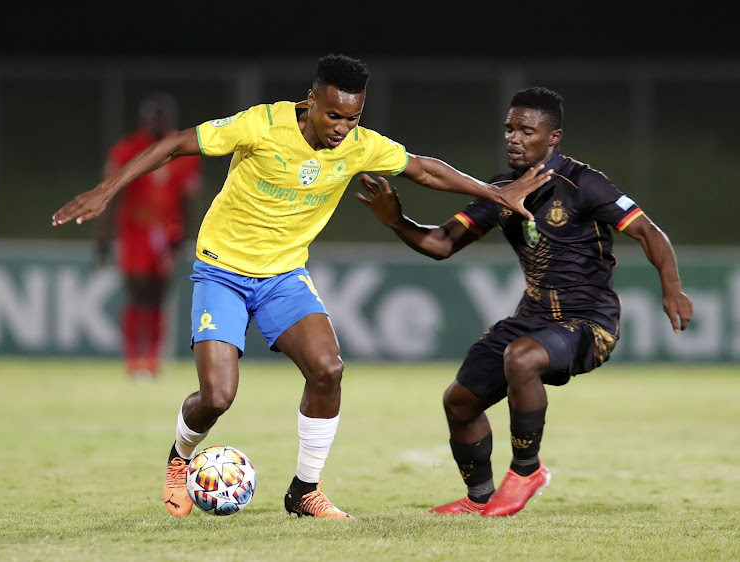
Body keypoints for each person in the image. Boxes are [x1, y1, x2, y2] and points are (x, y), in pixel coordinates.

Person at [51, 55, 553, 520]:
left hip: (283, 276)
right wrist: (105, 191)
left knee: (328, 369)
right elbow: (175, 144)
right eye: (333, 116)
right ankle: (180, 457)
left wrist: (492, 192)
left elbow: (423, 168)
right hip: (221, 270)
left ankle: (304, 490)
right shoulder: (261, 124)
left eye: (352, 119)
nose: (342, 129)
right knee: (218, 397)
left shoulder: (359, 145)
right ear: (311, 101)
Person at [356, 86, 693, 517]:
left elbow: (649, 232)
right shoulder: (499, 191)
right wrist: (396, 221)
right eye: (509, 129)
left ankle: (527, 470)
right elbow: (442, 244)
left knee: (522, 358)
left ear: (553, 137)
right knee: (459, 401)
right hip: (531, 318)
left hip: (589, 321)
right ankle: (479, 498)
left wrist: (672, 287)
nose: (513, 138)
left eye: (526, 131)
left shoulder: (583, 183)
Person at [96, 92, 202, 381]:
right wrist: (104, 236)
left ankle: (152, 359)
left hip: (167, 232)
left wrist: (183, 237)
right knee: (137, 292)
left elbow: (187, 198)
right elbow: (111, 192)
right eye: (151, 115)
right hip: (134, 231)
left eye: (161, 116)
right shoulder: (128, 148)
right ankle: (134, 359)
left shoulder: (183, 149)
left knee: (157, 296)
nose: (156, 121)